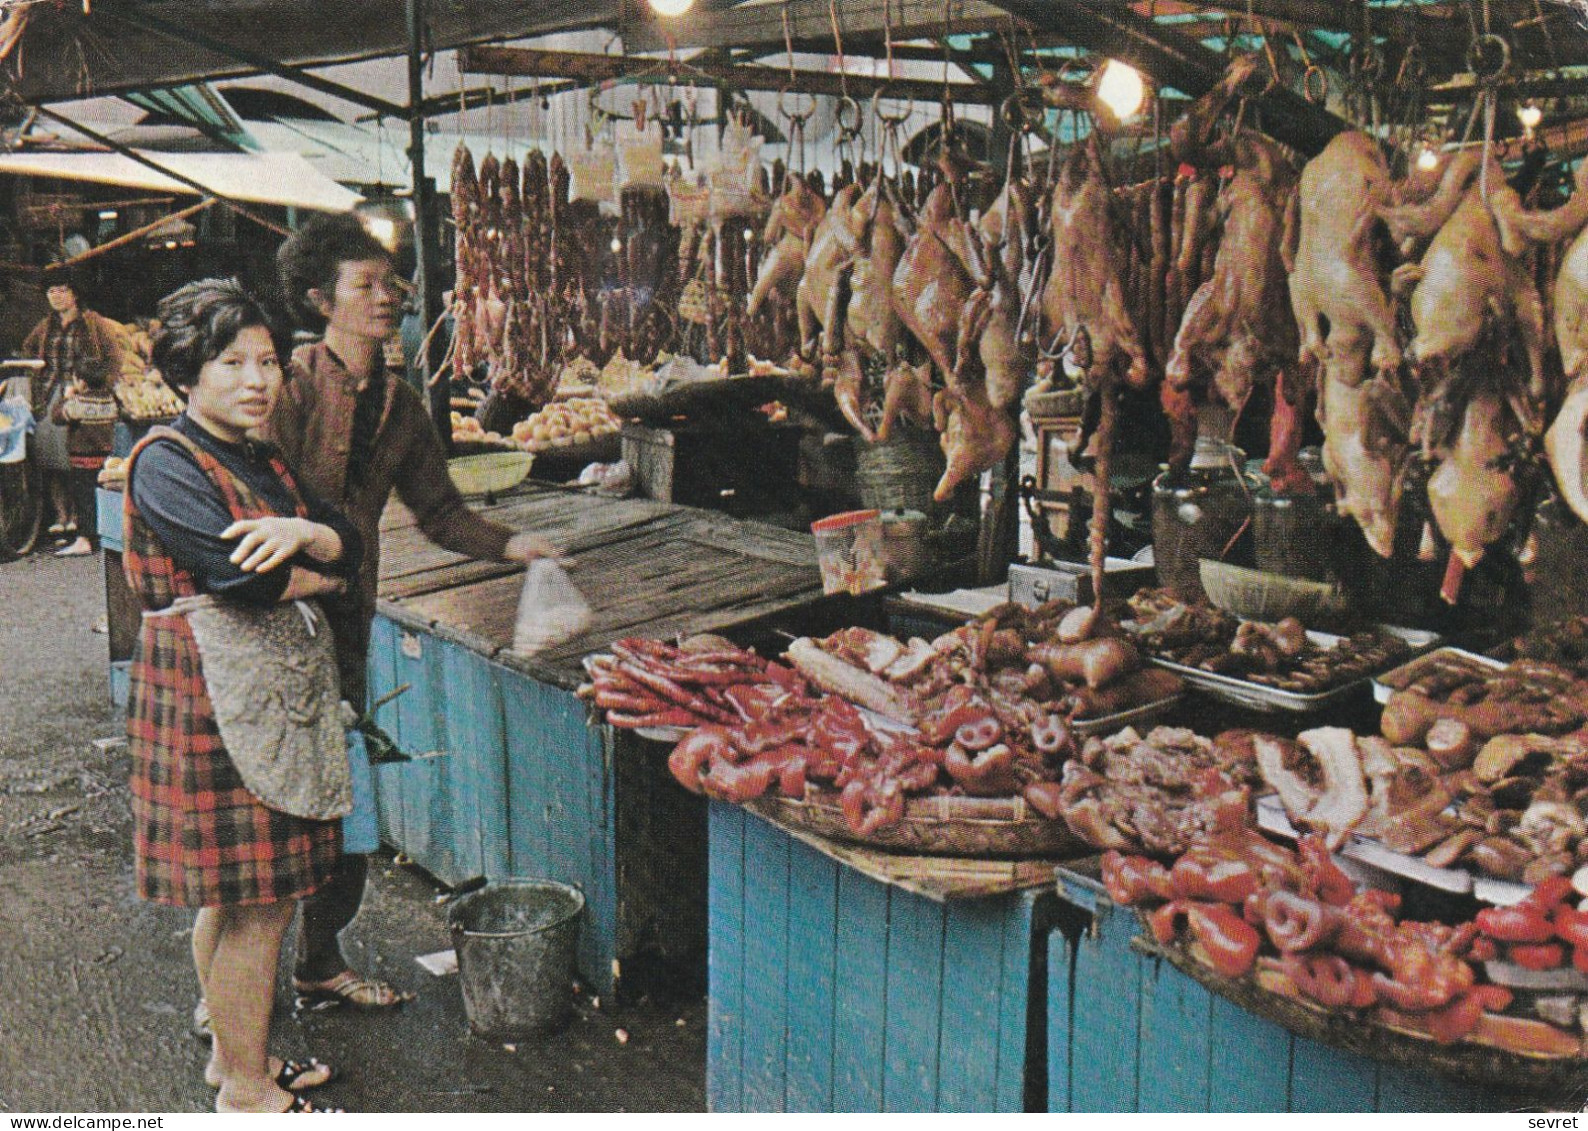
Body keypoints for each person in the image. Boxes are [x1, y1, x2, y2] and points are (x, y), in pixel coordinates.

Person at [266, 210, 554, 1010]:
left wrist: (512, 545)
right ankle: (234, 986)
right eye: (367, 284)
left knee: (349, 802)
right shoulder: (284, 389)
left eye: (391, 282)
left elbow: (440, 513)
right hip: (273, 623)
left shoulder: (401, 406)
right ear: (322, 300)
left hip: (346, 628)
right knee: (268, 810)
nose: (388, 297)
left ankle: (318, 960)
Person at [126, 278, 363, 1112]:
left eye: (266, 360)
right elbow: (242, 577)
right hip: (211, 693)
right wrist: (317, 574)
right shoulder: (165, 460)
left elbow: (349, 538)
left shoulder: (258, 456)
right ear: (188, 374)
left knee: (242, 897)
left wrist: (309, 536)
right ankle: (252, 1094)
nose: (257, 379)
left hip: (260, 693)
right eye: (233, 362)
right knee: (255, 904)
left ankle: (234, 1062)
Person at [22, 274, 119, 556]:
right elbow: (29, 348)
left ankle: (80, 520)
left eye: (61, 290)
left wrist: (101, 385)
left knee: (75, 459)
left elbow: (113, 356)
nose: (55, 296)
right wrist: (35, 372)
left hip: (79, 391)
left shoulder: (92, 322)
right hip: (51, 392)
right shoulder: (46, 326)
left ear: (75, 294)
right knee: (49, 456)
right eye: (51, 291)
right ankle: (61, 517)